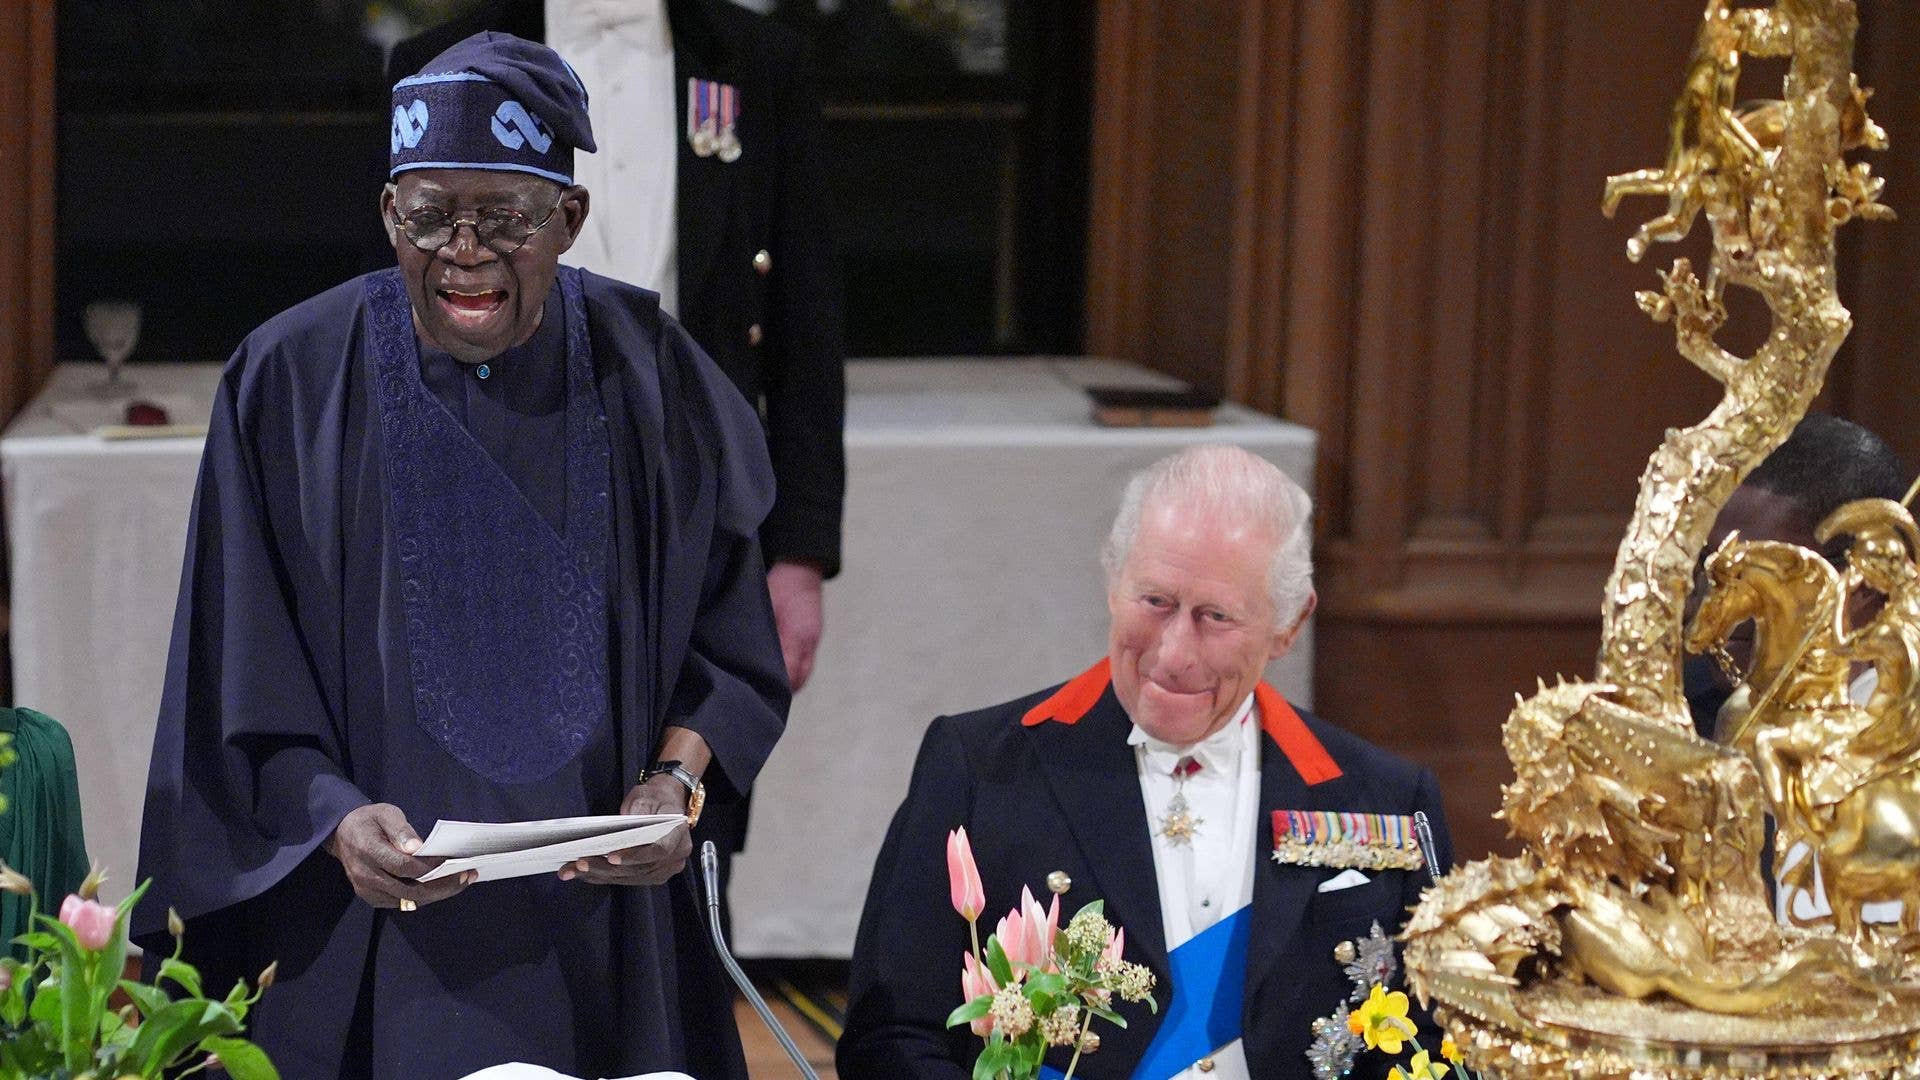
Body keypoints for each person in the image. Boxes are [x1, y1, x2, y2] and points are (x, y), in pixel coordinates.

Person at [134, 32, 787, 1080]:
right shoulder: (288, 381)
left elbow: (731, 635)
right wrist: (336, 822)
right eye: (429, 216)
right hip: (360, 930)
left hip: (605, 937)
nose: (465, 250)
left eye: (507, 219)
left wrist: (674, 786)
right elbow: (234, 676)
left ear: (569, 222)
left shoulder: (651, 369)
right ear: (390, 214)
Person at [389, 0, 847, 892]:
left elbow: (805, 317)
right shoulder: (438, 56)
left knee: (677, 811)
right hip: (496, 472)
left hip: (687, 495)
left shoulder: (758, 60)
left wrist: (796, 552)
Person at [838, 446, 1452, 1080]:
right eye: (1155, 601)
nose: (1174, 651)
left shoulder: (1384, 799)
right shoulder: (980, 769)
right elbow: (889, 1040)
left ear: (1288, 625)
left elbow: (1436, 1040)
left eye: (1216, 617)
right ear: (1113, 579)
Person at [1684, 413, 1909, 739]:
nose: (1707, 599)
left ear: (1865, 585)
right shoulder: (1676, 716)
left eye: (1754, 571)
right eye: (1709, 562)